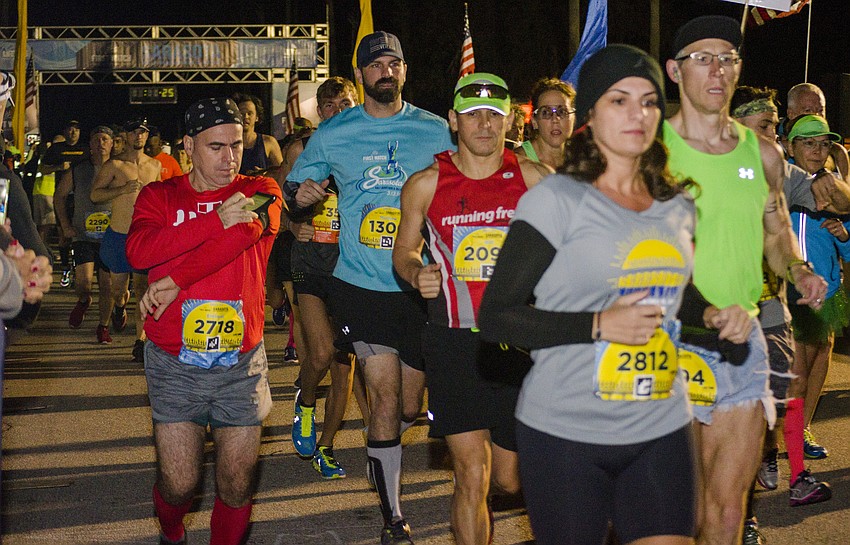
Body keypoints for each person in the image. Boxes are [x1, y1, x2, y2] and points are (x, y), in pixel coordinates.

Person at [479, 44, 699, 545]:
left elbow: (669, 297)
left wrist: (720, 314)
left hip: (661, 419)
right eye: (618, 100)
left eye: (648, 101)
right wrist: (598, 325)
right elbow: (496, 317)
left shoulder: (678, 205)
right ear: (591, 117)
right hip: (566, 429)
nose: (637, 113)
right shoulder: (556, 200)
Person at [285, 31, 454, 544]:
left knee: (406, 406)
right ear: (360, 75)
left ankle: (383, 462)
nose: (386, 69)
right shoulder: (335, 132)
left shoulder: (434, 129)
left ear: (404, 71)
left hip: (420, 285)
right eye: (376, 63)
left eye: (394, 62)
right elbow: (293, 189)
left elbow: (465, 183)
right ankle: (393, 517)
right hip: (360, 282)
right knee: (381, 396)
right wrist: (304, 192)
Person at [663, 16, 827, 545]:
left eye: (729, 59)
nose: (719, 70)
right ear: (674, 70)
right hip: (667, 342)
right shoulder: (649, 149)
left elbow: (775, 229)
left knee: (730, 505)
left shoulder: (762, 154)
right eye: (703, 58)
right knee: (680, 504)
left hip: (741, 341)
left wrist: (798, 268)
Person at [393, 72, 551, 545]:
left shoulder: (533, 178)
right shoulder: (426, 183)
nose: (484, 123)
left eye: (494, 115)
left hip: (517, 340)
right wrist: (414, 270)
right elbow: (403, 249)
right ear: (453, 121)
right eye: (473, 114)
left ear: (508, 124)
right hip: (452, 339)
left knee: (509, 479)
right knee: (471, 474)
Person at [126, 97, 281, 545]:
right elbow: (139, 251)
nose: (229, 157)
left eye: (235, 145)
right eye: (216, 147)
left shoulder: (260, 190)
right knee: (180, 484)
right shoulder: (158, 195)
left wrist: (174, 280)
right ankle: (171, 532)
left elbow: (240, 237)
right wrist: (214, 217)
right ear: (189, 146)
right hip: (174, 362)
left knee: (236, 484)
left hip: (241, 363)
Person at [731, 88, 836, 542]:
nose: (774, 134)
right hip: (721, 316)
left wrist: (836, 185)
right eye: (766, 126)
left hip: (772, 308)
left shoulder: (778, 170)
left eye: (775, 124)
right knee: (736, 419)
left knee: (769, 408)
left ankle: (781, 477)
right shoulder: (701, 169)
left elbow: (828, 203)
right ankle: (742, 516)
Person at [284, 75, 370, 479]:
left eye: (346, 104)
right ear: (320, 112)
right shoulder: (304, 149)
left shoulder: (366, 149)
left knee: (343, 365)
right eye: (331, 106)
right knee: (320, 353)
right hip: (310, 265)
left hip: (352, 266)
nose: (339, 112)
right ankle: (304, 403)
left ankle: (327, 445)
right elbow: (278, 197)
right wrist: (291, 224)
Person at [785, 114, 848, 464]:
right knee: (796, 366)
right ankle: (781, 436)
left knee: (821, 353)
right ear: (790, 146)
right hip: (789, 289)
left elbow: (849, 248)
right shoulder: (780, 178)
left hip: (828, 287)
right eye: (808, 142)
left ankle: (802, 428)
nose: (817, 149)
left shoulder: (837, 188)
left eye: (823, 143)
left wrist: (846, 234)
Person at [91, 118, 161, 362]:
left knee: (143, 288)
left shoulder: (155, 166)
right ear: (126, 136)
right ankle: (120, 306)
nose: (139, 136)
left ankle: (140, 342)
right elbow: (94, 194)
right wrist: (122, 189)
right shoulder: (114, 165)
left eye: (143, 132)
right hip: (119, 235)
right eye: (134, 132)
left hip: (145, 237)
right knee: (118, 290)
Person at [54, 125, 116, 343]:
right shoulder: (78, 169)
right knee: (84, 283)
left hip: (111, 237)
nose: (100, 143)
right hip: (83, 235)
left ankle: (103, 327)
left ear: (112, 143)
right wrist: (65, 225)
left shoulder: (119, 168)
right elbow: (59, 196)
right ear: (90, 144)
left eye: (105, 139)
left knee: (108, 286)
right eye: (96, 139)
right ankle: (83, 301)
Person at [785, 83, 848, 179]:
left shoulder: (836, 155)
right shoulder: (773, 155)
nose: (816, 115)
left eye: (820, 110)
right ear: (791, 114)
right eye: (808, 110)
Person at [515, 77, 575, 169]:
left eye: (562, 111)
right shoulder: (518, 162)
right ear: (534, 121)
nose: (555, 119)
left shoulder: (582, 160)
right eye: (546, 113)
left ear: (573, 118)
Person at [233, 93, 283, 175]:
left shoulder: (269, 142)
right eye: (241, 113)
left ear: (257, 117)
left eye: (250, 113)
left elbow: (281, 172)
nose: (245, 117)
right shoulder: (228, 142)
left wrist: (265, 173)